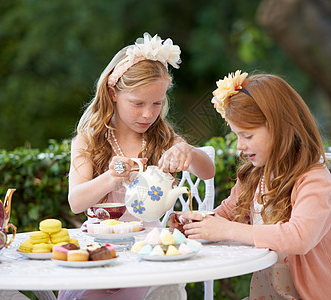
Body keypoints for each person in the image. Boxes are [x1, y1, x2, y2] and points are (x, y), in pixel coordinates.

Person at [59, 33, 215, 300]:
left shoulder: (163, 139)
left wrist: (187, 151)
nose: (148, 114)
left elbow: (208, 171)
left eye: (157, 103)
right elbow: (76, 202)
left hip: (150, 250)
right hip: (99, 249)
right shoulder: (90, 140)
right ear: (113, 93)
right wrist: (112, 176)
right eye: (138, 103)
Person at [175, 71, 331, 299]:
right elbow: (226, 215)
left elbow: (299, 237)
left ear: (280, 128)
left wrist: (227, 230)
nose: (240, 146)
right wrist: (195, 225)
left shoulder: (313, 178)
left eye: (247, 136)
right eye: (236, 135)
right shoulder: (255, 176)